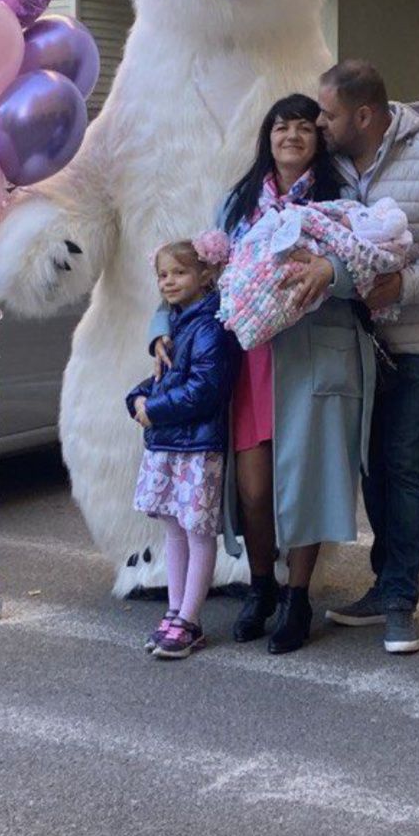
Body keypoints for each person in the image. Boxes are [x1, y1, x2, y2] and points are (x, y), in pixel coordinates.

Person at [152, 93, 375, 656]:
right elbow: (197, 268)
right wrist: (165, 325)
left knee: (308, 478)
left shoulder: (340, 195)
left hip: (313, 354)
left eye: (304, 128)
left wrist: (331, 273)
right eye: (281, 128)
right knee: (252, 488)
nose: (292, 137)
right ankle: (261, 586)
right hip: (249, 357)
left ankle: (298, 597)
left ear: (318, 139)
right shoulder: (241, 199)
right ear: (267, 137)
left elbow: (367, 262)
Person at [317, 60, 419, 657]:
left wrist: (403, 285)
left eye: (329, 113)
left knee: (405, 466)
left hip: (417, 341)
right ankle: (384, 579)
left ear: (364, 115)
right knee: (370, 465)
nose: (320, 122)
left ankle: (399, 602)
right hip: (354, 346)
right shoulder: (330, 162)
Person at [127, 240, 240, 660]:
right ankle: (174, 613)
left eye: (179, 272)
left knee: (197, 531)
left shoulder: (210, 326)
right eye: (162, 274)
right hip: (171, 442)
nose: (168, 281)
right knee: (173, 528)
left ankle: (190, 620)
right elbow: (165, 380)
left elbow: (206, 390)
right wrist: (137, 398)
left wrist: (152, 409)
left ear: (205, 276)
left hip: (197, 447)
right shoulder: (174, 325)